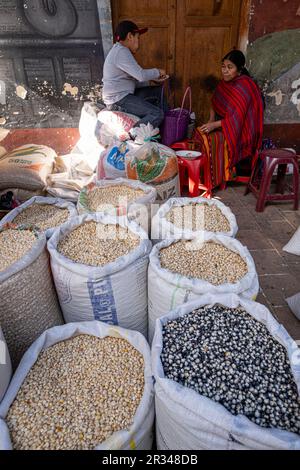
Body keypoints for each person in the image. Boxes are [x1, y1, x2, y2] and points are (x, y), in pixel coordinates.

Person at [194, 49, 264, 189]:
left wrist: (214, 125)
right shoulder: (225, 83)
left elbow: (237, 119)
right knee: (200, 134)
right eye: (223, 66)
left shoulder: (244, 86)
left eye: (230, 67)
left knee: (213, 141)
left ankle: (221, 176)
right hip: (228, 124)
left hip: (244, 129)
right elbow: (215, 101)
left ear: (239, 70)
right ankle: (208, 176)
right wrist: (210, 120)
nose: (225, 71)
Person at [102, 20, 168, 132]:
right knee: (157, 114)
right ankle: (131, 135)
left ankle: (160, 133)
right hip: (117, 101)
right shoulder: (121, 52)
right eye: (138, 37)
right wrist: (158, 71)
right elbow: (141, 75)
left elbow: (132, 80)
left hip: (122, 96)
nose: (139, 41)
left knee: (157, 93)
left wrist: (151, 81)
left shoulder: (119, 50)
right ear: (129, 36)